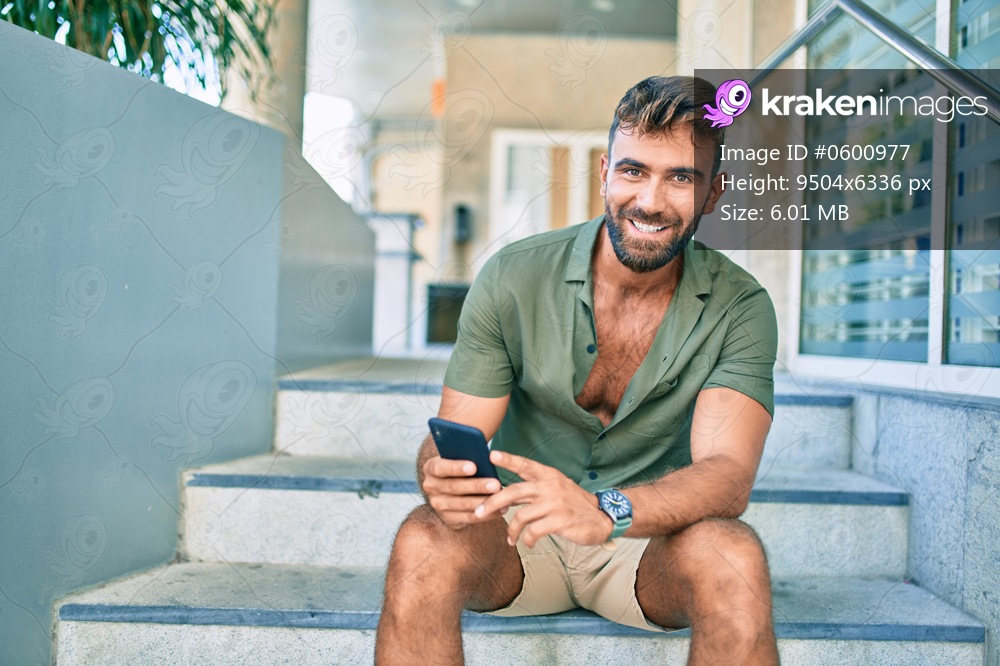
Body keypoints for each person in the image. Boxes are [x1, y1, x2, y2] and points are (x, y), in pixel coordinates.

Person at [375, 75, 780, 666]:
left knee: (733, 556)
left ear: (714, 193)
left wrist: (605, 510)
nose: (650, 201)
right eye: (633, 170)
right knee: (422, 541)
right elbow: (456, 432)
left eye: (681, 178)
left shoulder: (740, 306)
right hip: (516, 536)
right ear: (604, 173)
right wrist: (441, 473)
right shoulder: (513, 277)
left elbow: (727, 476)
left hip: (644, 542)